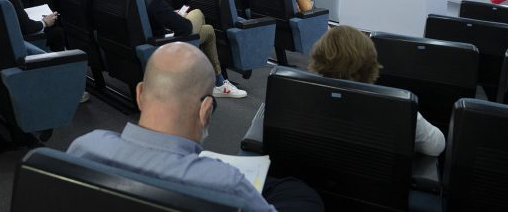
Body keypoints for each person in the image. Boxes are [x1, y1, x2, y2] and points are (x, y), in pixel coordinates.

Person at [68, 43, 323, 212]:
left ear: (140, 94)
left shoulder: (84, 148)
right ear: (205, 110)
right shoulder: (225, 184)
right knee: (303, 196)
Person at [309, 26, 445, 157]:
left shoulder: (302, 92)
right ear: (370, 62)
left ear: (319, 55)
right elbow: (436, 146)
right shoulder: (397, 105)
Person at [123, 0, 246, 98]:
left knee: (208, 31)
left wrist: (170, 15)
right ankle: (206, 78)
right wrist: (179, 18)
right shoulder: (153, 0)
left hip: (137, 43)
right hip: (161, 46)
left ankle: (217, 82)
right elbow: (185, 29)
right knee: (197, 13)